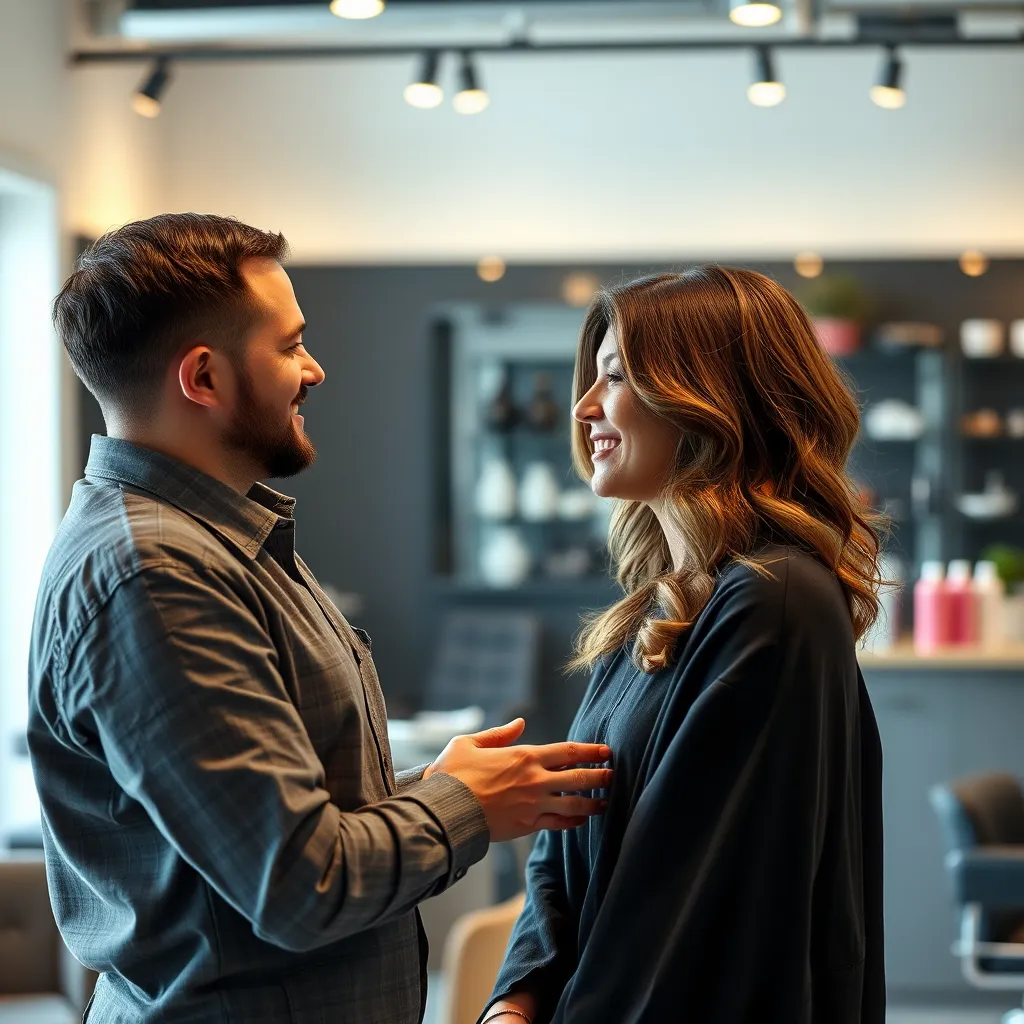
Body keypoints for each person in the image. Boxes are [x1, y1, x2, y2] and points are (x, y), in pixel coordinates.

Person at [28, 213, 613, 1023]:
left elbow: (273, 829)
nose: (316, 369)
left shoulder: (220, 537)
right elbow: (302, 884)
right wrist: (465, 804)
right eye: (289, 345)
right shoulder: (154, 572)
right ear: (203, 377)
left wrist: (438, 786)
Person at [481, 266, 886, 1024]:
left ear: (710, 400)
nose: (583, 407)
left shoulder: (775, 602)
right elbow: (564, 843)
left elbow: (686, 913)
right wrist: (515, 1001)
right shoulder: (654, 611)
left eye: (617, 378)